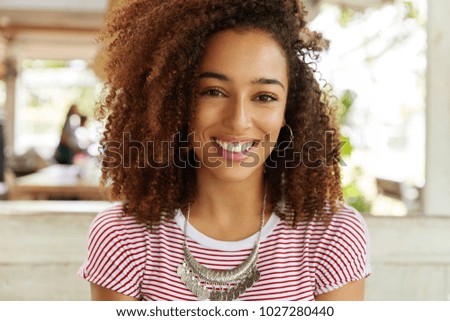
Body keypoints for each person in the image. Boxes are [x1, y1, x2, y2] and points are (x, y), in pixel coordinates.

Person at [78, 0, 371, 301]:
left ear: (289, 111)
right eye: (214, 92)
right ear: (174, 101)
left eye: (265, 96)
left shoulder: (332, 235)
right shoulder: (123, 236)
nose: (239, 121)